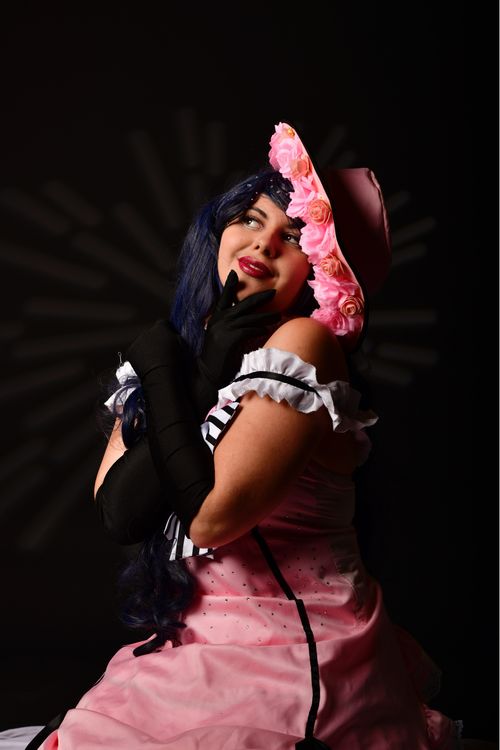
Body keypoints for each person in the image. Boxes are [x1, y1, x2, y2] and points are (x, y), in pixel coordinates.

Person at [4, 122, 465, 749]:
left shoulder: (305, 346)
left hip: (296, 657)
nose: (263, 242)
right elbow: (120, 513)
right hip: (191, 651)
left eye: (293, 236)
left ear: (318, 273)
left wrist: (171, 374)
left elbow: (211, 519)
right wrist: (197, 374)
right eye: (250, 218)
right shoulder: (190, 356)